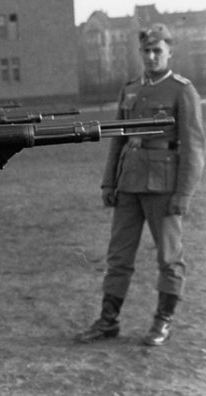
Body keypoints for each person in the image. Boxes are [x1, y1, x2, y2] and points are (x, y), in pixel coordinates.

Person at [75, 23, 206, 346]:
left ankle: (163, 321)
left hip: (164, 186)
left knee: (169, 257)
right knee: (118, 257)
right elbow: (118, 140)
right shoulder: (130, 89)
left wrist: (184, 193)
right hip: (129, 184)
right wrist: (109, 183)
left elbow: (194, 147)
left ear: (169, 52)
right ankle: (108, 321)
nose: (151, 56)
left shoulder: (182, 90)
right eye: (146, 51)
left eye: (157, 51)